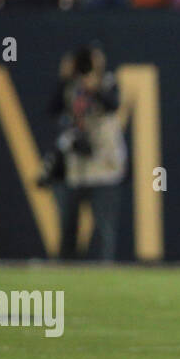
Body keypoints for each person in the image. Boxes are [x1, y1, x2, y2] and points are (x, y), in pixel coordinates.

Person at [49, 44, 126, 261]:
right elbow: (52, 109)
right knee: (68, 227)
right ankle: (65, 271)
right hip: (76, 167)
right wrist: (64, 78)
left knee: (103, 228)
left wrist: (96, 86)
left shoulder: (107, 81)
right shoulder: (71, 86)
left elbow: (113, 104)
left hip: (104, 165)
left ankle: (104, 272)